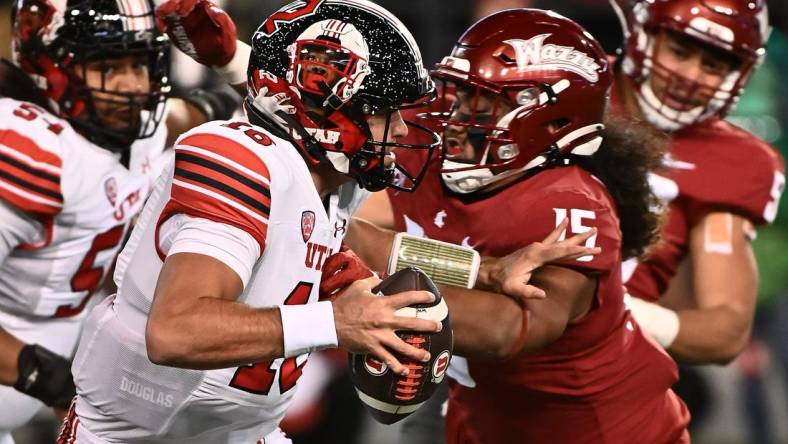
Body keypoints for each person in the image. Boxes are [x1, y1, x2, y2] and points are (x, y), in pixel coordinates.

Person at [58, 1, 457, 442]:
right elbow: (175, 331)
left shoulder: (335, 180)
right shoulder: (242, 161)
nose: (400, 130)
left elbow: (373, 241)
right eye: (385, 110)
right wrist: (334, 322)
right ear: (329, 112)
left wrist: (485, 270)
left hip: (248, 433)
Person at [349, 9, 690, 443]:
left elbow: (509, 328)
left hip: (600, 430)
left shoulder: (571, 202)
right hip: (484, 419)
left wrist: (367, 294)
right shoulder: (430, 144)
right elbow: (321, 122)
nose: (455, 116)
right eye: (459, 93)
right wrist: (235, 63)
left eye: (483, 101)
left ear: (552, 121)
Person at [0, 0, 235, 441]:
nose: (131, 85)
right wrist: (37, 372)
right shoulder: (27, 148)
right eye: (109, 66)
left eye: (140, 63)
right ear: (47, 65)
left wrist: (231, 62)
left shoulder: (140, 126)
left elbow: (207, 109)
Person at [608, 0, 785, 364]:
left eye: (712, 65)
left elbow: (724, 330)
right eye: (680, 51)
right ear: (644, 35)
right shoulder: (569, 90)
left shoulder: (734, 160)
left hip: (607, 369)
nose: (690, 76)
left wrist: (613, 313)